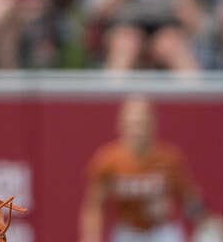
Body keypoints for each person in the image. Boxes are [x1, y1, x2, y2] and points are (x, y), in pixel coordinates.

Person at [80, 97, 206, 242]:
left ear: (153, 124)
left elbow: (188, 198)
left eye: (143, 123)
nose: (138, 130)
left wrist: (206, 222)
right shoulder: (108, 161)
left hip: (162, 230)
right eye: (133, 123)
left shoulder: (169, 159)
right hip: (128, 231)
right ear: (121, 124)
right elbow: (94, 206)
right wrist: (91, 237)